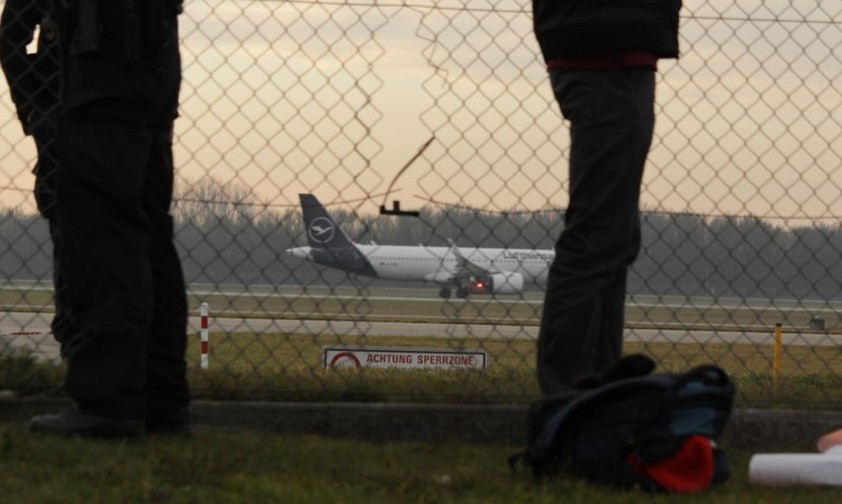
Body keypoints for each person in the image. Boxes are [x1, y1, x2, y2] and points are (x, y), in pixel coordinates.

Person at [29, 0, 190, 438]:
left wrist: (41, 113)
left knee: (104, 236)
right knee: (149, 233)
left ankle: (111, 402)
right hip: (148, 53)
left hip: (106, 54)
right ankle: (161, 401)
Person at [532, 0, 683, 394]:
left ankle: (593, 392)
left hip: (610, 46)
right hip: (604, 49)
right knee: (597, 239)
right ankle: (568, 399)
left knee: (611, 239)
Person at [0, 0, 75, 358]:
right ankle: (77, 349)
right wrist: (33, 102)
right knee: (72, 236)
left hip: (114, 111)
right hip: (64, 110)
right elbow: (10, 35)